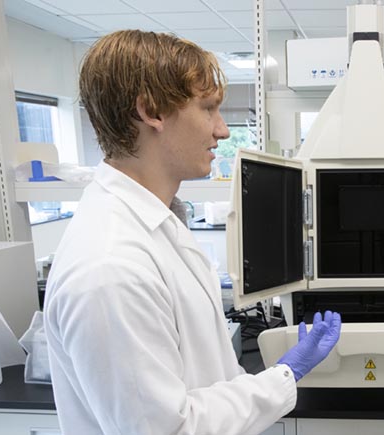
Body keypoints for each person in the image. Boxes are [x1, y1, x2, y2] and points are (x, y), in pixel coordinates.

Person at [43, 30, 342, 435]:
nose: (221, 130)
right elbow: (169, 430)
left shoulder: (159, 224)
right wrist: (283, 375)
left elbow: (202, 379)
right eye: (208, 108)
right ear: (152, 111)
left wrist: (268, 381)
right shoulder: (109, 268)